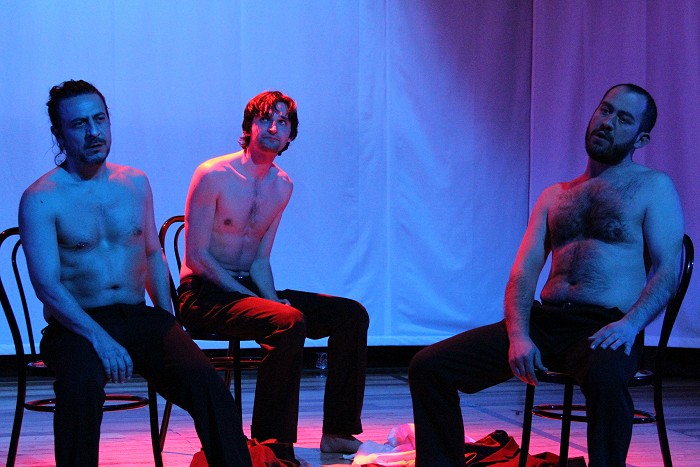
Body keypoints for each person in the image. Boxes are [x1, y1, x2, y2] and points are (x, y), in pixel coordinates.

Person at [408, 84, 684, 467]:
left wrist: (630, 325)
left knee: (606, 379)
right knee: (429, 367)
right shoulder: (556, 195)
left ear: (641, 138)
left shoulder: (653, 187)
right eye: (605, 110)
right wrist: (519, 335)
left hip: (605, 327)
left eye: (623, 119)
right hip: (546, 322)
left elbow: (668, 269)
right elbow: (523, 271)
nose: (608, 122)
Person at [18, 80, 252, 467]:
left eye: (100, 119)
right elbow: (47, 285)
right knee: (80, 388)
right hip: (76, 324)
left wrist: (170, 321)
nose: (93, 132)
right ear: (59, 134)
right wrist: (100, 339)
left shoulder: (135, 183)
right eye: (79, 124)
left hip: (137, 316)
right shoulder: (41, 198)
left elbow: (152, 254)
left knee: (208, 386)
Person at [178, 90, 369, 454]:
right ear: (248, 127)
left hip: (247, 288)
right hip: (203, 293)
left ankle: (339, 431)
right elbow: (197, 256)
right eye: (265, 119)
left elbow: (260, 260)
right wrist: (257, 299)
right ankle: (272, 443)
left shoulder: (282, 186)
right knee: (288, 322)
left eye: (282, 122)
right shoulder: (213, 174)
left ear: (290, 135)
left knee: (351, 315)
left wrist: (269, 298)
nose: (272, 128)